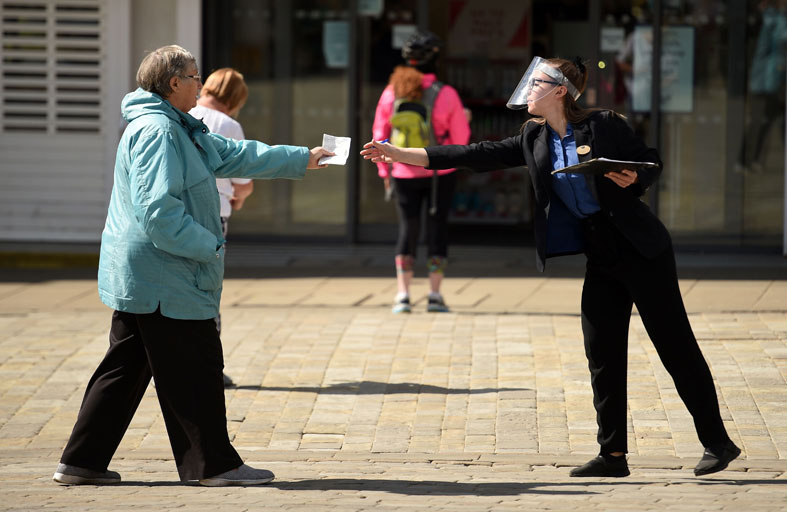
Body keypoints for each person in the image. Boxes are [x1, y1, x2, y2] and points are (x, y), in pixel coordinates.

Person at [362, 56, 741, 478]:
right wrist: (396, 153)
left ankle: (717, 442)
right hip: (600, 253)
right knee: (602, 352)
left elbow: (649, 161)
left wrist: (637, 180)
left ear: (560, 90)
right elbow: (473, 154)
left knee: (675, 346)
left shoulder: (603, 125)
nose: (527, 89)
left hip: (642, 249)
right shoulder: (532, 136)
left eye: (536, 82)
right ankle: (612, 456)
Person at [52, 45, 333, 486]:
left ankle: (81, 461)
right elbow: (158, 212)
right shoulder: (158, 131)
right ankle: (215, 466)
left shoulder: (178, 126)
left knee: (123, 369)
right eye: (195, 76)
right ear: (174, 83)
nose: (201, 84)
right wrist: (210, 245)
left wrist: (303, 157)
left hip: (150, 274)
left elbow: (236, 156)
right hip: (166, 274)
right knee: (197, 367)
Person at [371, 30, 470, 314]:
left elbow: (380, 134)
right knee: (437, 230)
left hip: (402, 172)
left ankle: (402, 295)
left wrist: (384, 171)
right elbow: (461, 140)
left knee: (407, 229)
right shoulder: (447, 94)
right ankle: (435, 295)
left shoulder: (392, 92)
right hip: (440, 173)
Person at [189, 68, 253, 388]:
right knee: (207, 290)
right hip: (215, 217)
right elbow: (243, 183)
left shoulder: (181, 115)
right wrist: (237, 198)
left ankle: (166, 365)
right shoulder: (230, 126)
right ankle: (208, 367)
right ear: (236, 98)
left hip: (181, 215)